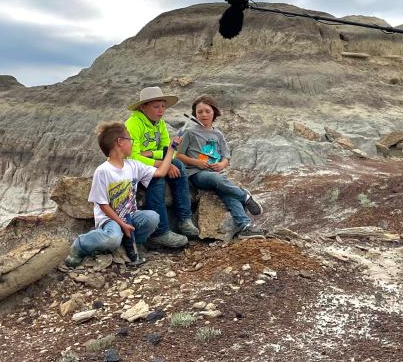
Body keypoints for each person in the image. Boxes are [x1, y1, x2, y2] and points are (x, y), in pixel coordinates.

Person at [65, 122, 182, 268]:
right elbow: (102, 204)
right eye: (130, 140)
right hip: (110, 219)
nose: (132, 144)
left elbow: (160, 172)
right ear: (120, 142)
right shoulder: (103, 171)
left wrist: (171, 150)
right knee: (112, 238)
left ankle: (132, 245)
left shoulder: (133, 165)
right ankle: (80, 245)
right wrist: (122, 224)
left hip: (130, 216)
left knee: (152, 218)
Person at [176, 95, 265, 239]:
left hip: (215, 173)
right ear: (195, 114)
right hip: (197, 174)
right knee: (216, 179)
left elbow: (226, 157)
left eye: (207, 111)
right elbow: (178, 155)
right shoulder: (190, 132)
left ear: (214, 112)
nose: (204, 115)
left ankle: (245, 226)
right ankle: (245, 196)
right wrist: (196, 162)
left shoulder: (218, 134)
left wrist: (222, 164)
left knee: (228, 194)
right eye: (200, 112)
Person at [125, 87, 199, 249]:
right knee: (157, 176)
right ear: (143, 107)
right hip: (133, 167)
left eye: (163, 106)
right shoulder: (132, 124)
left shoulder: (160, 124)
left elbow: (169, 151)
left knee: (178, 165)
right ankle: (160, 232)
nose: (161, 111)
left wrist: (154, 154)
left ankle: (184, 219)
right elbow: (132, 156)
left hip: (149, 160)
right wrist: (162, 163)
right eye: (156, 106)